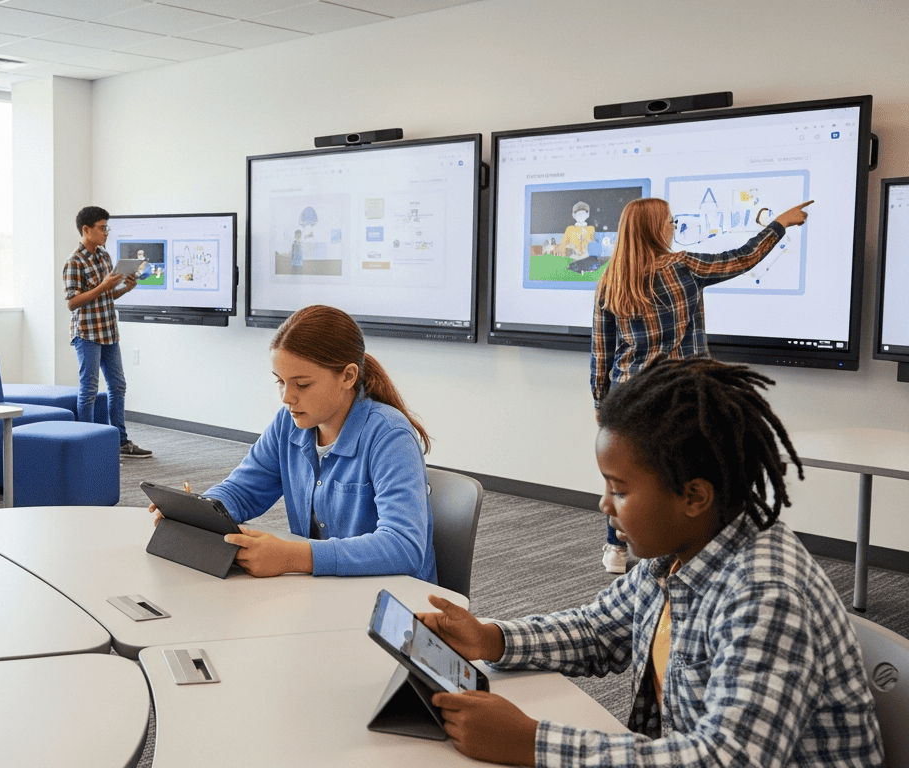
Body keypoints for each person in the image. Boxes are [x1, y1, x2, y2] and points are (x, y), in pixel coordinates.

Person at [415, 357, 883, 767]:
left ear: (693, 496)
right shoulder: (677, 556)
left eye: (619, 490)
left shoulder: (766, 595)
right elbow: (596, 631)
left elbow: (727, 760)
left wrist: (534, 742)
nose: (604, 504)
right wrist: (489, 637)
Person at [590, 196, 812, 573]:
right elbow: (742, 258)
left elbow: (601, 352)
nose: (674, 226)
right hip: (680, 396)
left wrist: (601, 405)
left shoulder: (610, 280)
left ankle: (617, 547)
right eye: (670, 221)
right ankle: (683, 548)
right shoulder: (683, 267)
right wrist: (779, 224)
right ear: (654, 229)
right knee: (681, 473)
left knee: (627, 477)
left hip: (627, 396)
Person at [163, 305, 435, 581]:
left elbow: (403, 547)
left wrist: (293, 556)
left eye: (302, 384)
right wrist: (197, 512)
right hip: (326, 590)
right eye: (280, 381)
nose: (286, 397)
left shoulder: (389, 435)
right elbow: (243, 491)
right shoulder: (289, 422)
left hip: (388, 600)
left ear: (348, 376)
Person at [63, 206, 151, 458]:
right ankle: (86, 442)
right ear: (86, 230)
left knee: (118, 386)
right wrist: (103, 286)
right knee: (89, 389)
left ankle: (120, 441)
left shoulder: (104, 256)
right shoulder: (74, 262)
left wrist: (125, 288)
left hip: (109, 330)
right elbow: (72, 302)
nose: (105, 233)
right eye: (102, 229)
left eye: (106, 228)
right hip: (87, 333)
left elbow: (107, 296)